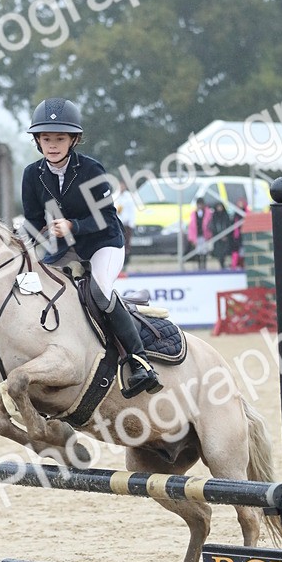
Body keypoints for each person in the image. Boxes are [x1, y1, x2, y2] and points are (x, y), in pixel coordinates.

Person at [20, 97, 161, 398]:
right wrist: (20, 248)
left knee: (99, 292)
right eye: (46, 138)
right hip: (64, 247)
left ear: (73, 140)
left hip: (103, 242)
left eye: (60, 138)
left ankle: (140, 362)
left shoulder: (91, 170)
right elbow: (33, 221)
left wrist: (74, 225)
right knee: (34, 287)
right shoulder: (32, 174)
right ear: (38, 140)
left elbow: (107, 218)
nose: (53, 145)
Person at [187, 196, 213, 269]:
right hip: (197, 235)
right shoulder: (193, 214)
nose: (200, 206)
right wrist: (191, 238)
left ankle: (204, 266)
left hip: (205, 235)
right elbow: (191, 227)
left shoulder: (208, 213)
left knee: (204, 251)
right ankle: (199, 266)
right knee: (198, 252)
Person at [115, 189, 136, 270]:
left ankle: (125, 263)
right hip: (118, 225)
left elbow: (132, 211)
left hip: (127, 225)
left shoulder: (129, 197)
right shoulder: (115, 196)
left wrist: (131, 224)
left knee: (127, 245)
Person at [209, 199, 232, 269]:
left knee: (225, 252)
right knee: (219, 253)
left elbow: (229, 225)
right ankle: (221, 264)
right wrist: (218, 235)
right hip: (217, 238)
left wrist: (225, 235)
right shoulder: (214, 216)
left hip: (225, 238)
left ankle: (224, 264)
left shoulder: (226, 216)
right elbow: (212, 227)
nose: (219, 208)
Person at [229, 197, 248, 270]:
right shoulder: (236, 214)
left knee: (243, 251)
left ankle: (242, 265)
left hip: (245, 234)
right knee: (238, 251)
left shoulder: (246, 212)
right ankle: (237, 265)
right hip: (237, 236)